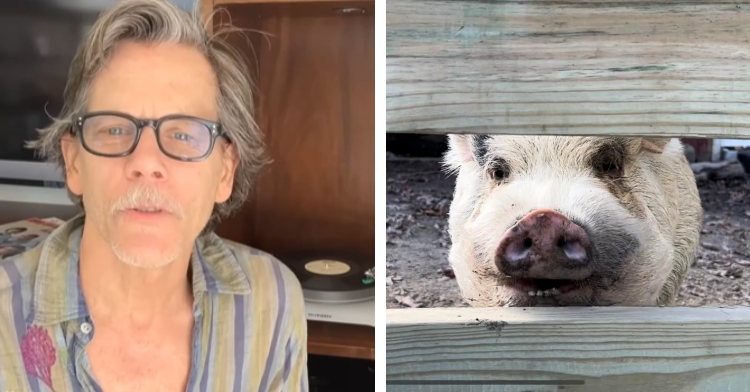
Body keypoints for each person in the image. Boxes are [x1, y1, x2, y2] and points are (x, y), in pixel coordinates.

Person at [0, 0, 308, 391]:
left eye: (183, 134)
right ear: (74, 161)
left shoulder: (273, 302)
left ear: (225, 171)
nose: (146, 162)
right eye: (114, 130)